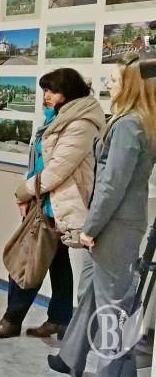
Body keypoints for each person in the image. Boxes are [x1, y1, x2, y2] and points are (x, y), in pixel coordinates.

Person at [49, 54, 156, 377]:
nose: (107, 82)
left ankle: (115, 372)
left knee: (113, 308)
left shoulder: (129, 125)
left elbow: (112, 185)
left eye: (114, 78)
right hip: (117, 222)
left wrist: (90, 228)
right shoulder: (136, 121)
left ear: (131, 85)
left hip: (115, 226)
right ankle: (71, 356)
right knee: (94, 293)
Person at [0, 68, 104, 339]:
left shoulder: (81, 123)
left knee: (28, 259)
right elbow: (39, 161)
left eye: (51, 91)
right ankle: (60, 319)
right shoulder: (58, 118)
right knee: (57, 262)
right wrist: (29, 193)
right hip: (46, 200)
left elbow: (56, 170)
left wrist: (23, 192)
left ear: (68, 92)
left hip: (56, 203)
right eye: (44, 91)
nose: (46, 96)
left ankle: (12, 319)